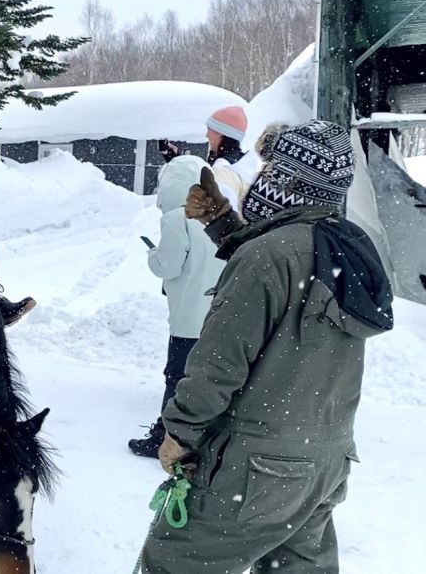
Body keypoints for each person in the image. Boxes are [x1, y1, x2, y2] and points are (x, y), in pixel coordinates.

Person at [139, 120, 394, 574]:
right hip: (322, 463)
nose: (260, 180)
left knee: (173, 564)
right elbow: (290, 265)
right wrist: (223, 223)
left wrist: (179, 433)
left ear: (289, 180)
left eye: (270, 170)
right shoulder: (345, 246)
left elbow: (218, 365)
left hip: (258, 467)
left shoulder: (267, 256)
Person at [127, 155, 224, 458]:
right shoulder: (217, 215)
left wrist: (153, 255)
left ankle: (166, 439)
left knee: (177, 378)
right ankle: (207, 437)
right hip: (218, 313)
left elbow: (168, 266)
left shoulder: (177, 218)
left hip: (188, 317)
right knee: (209, 379)